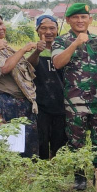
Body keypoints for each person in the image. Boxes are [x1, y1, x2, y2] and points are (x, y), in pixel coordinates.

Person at [52, 3, 97, 190]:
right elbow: (58, 63)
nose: (80, 20)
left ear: (89, 19)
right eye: (75, 17)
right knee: (76, 139)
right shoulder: (61, 41)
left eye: (83, 17)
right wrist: (76, 43)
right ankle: (79, 177)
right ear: (68, 20)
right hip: (74, 101)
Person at [0, 12, 40, 157]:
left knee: (27, 147)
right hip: (6, 104)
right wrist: (24, 49)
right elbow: (4, 68)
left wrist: (37, 51)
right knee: (11, 147)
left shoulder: (6, 48)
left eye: (0, 23)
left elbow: (24, 66)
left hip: (23, 102)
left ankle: (27, 178)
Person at [28, 14, 66, 160]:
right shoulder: (33, 49)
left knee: (60, 140)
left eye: (52, 28)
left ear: (57, 30)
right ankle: (43, 170)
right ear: (37, 31)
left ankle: (57, 168)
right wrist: (37, 50)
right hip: (41, 104)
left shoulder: (64, 49)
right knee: (41, 140)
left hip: (62, 103)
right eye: (44, 28)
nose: (48, 32)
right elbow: (29, 64)